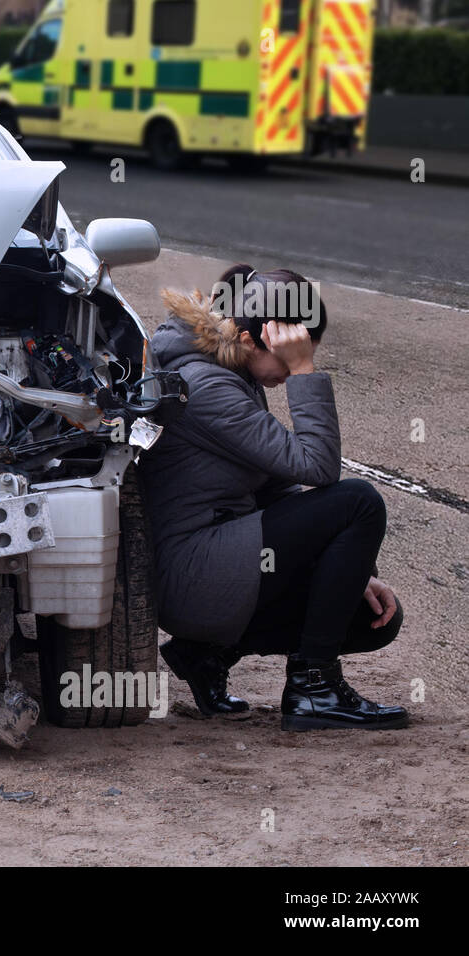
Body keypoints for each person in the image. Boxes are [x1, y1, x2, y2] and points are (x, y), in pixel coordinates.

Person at [138, 265, 408, 731]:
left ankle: (206, 653)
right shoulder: (206, 387)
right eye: (285, 357)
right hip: (191, 572)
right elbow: (319, 467)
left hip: (217, 559)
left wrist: (351, 570)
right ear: (250, 341)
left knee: (367, 616)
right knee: (360, 501)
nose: (289, 369)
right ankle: (314, 689)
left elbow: (276, 484)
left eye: (298, 358)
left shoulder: (229, 371)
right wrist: (305, 371)